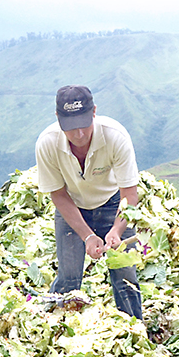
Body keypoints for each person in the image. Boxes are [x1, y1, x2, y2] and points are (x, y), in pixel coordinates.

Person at [35, 85, 143, 319]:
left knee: (125, 274)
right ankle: (52, 328)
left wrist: (117, 229)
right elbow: (59, 195)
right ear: (58, 118)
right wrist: (87, 235)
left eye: (84, 124)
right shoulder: (47, 143)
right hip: (72, 207)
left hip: (113, 204)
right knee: (69, 277)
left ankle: (135, 330)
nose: (79, 134)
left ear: (94, 111)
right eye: (71, 127)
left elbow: (130, 195)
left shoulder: (115, 136)